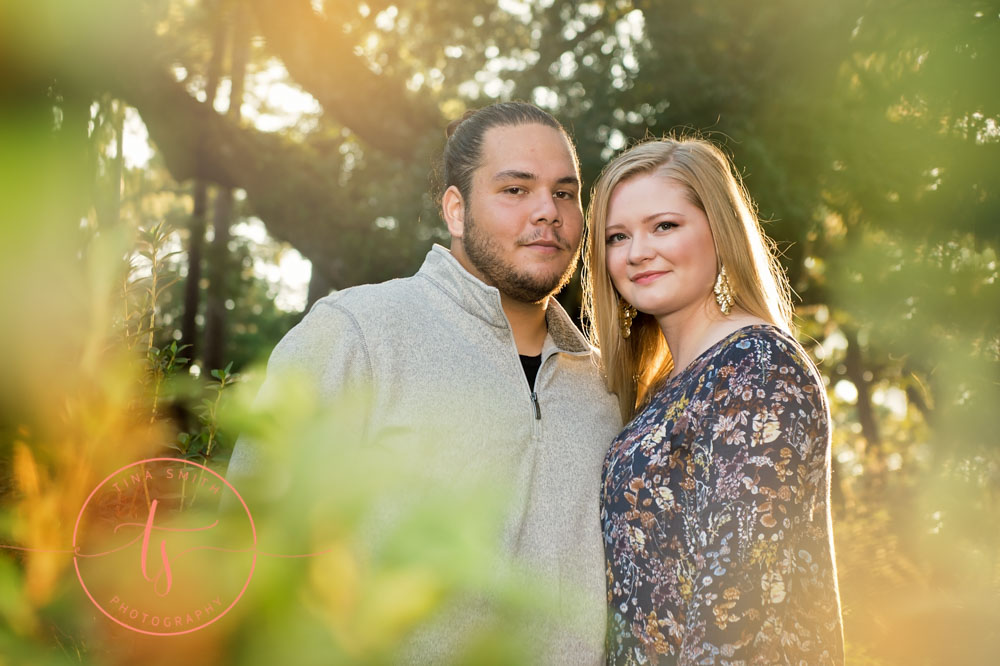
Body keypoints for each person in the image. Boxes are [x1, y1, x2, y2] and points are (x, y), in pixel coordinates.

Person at [227, 102, 622, 663]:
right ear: (456, 211)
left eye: (564, 192)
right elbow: (250, 544)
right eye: (515, 190)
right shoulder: (357, 333)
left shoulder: (605, 384)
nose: (547, 212)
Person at [582, 138, 844, 664]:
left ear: (718, 233)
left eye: (664, 226)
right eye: (617, 237)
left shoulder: (757, 367)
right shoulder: (663, 392)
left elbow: (739, 594)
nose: (637, 252)